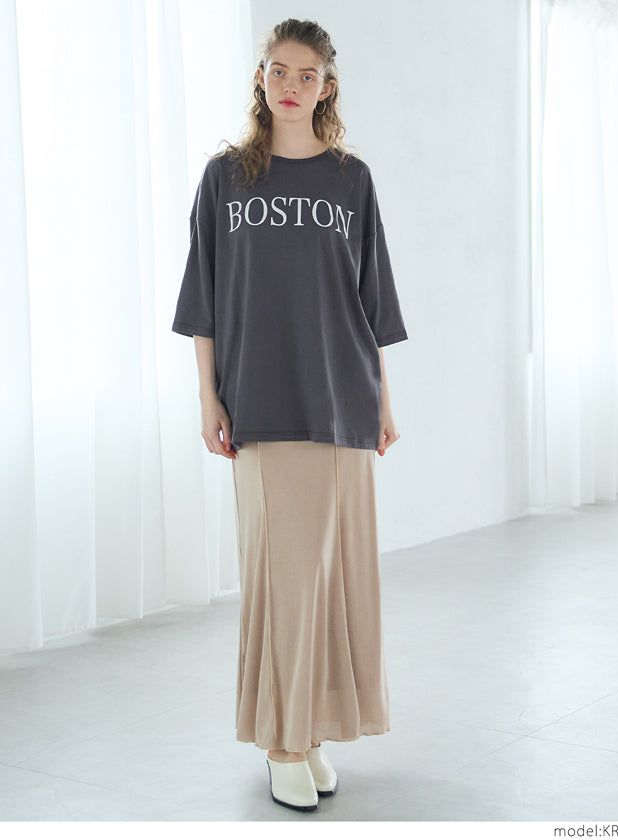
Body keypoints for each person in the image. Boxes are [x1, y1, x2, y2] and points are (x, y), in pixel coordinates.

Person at [171, 18, 408, 812]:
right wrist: (208, 395)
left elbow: (371, 302)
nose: (291, 86)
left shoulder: (352, 180)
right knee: (282, 579)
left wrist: (383, 400)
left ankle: (311, 734)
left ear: (327, 86)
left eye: (307, 75)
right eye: (279, 70)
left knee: (334, 581)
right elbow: (203, 297)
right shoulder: (225, 178)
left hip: (343, 398)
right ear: (260, 78)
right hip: (262, 399)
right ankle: (280, 742)